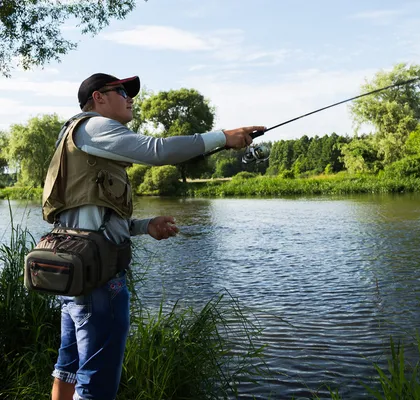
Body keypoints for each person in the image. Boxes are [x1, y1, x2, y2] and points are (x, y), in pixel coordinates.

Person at [44, 72, 265, 400]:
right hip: (99, 282)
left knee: (69, 369)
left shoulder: (79, 140)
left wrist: (144, 225)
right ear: (98, 98)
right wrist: (223, 137)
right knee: (96, 385)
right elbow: (158, 150)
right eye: (120, 90)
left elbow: (88, 218)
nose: (129, 97)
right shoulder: (94, 126)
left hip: (76, 274)